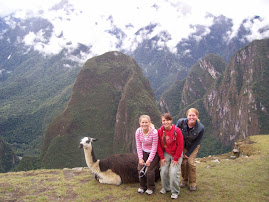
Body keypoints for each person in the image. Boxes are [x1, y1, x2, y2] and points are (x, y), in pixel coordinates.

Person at [176, 108, 204, 191]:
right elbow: (175, 132)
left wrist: (188, 154)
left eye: (193, 115)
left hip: (193, 146)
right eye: (190, 115)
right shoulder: (181, 122)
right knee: (183, 163)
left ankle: (192, 182)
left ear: (197, 116)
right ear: (187, 116)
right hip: (183, 145)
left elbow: (197, 142)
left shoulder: (200, 128)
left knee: (190, 163)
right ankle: (184, 180)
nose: (191, 117)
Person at [157, 113, 184, 199]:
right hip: (166, 153)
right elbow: (158, 145)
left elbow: (180, 145)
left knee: (173, 172)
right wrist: (161, 157)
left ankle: (175, 191)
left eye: (167, 120)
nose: (166, 122)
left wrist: (176, 158)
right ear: (162, 121)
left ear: (171, 120)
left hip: (177, 153)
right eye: (164, 120)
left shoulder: (177, 131)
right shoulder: (160, 131)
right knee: (163, 170)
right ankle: (166, 187)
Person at [135, 115, 159, 195]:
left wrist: (149, 160)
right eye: (143, 122)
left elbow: (154, 147)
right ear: (140, 123)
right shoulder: (138, 131)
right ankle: (142, 186)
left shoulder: (154, 132)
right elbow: (138, 145)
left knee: (149, 170)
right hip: (144, 151)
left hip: (153, 153)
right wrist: (140, 158)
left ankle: (151, 187)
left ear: (149, 123)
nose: (144, 124)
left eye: (146, 122)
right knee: (140, 168)